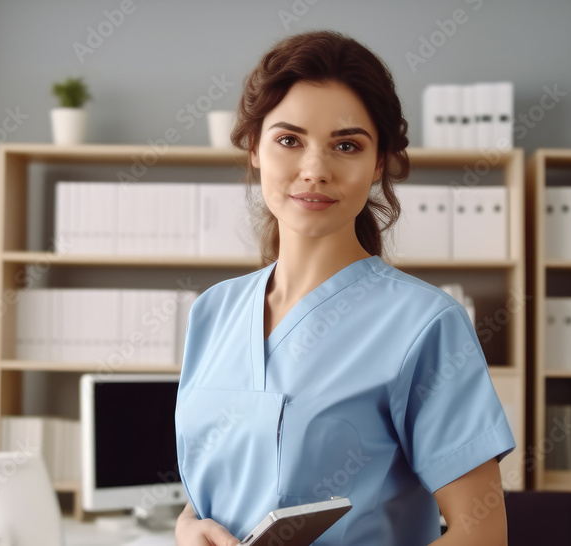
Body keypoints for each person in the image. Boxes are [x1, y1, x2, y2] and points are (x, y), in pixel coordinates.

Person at [173, 30, 515, 546]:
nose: (315, 170)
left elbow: (481, 531)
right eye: (289, 140)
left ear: (378, 163)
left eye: (346, 145)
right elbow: (216, 485)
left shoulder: (423, 324)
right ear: (254, 150)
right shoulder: (213, 312)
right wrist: (187, 529)